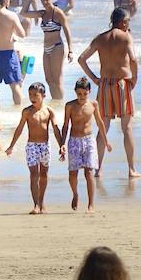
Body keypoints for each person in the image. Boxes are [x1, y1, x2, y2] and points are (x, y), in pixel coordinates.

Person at [77, 8, 140, 179]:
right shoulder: (126, 37)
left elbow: (81, 59)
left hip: (104, 85)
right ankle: (131, 169)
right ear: (123, 22)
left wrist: (95, 79)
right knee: (126, 128)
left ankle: (98, 169)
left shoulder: (100, 38)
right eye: (127, 22)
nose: (128, 25)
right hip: (121, 84)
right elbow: (133, 60)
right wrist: (134, 79)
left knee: (103, 128)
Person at [7, 82, 65, 214]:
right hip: (31, 145)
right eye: (30, 95)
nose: (32, 97)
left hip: (45, 145)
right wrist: (11, 146)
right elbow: (20, 129)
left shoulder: (49, 111)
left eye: (35, 95)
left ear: (43, 95)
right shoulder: (27, 112)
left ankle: (42, 201)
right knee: (34, 175)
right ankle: (36, 205)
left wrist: (61, 145)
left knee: (43, 175)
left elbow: (56, 129)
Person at [21, 0, 71, 100]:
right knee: (49, 79)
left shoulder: (58, 12)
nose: (45, 2)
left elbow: (67, 31)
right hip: (46, 48)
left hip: (57, 47)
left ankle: (60, 104)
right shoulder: (42, 14)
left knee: (57, 79)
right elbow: (23, 13)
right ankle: (55, 101)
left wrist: (70, 50)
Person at [61, 78, 99, 212]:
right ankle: (75, 194)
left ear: (89, 92)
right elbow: (65, 126)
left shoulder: (93, 104)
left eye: (84, 93)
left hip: (89, 140)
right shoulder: (70, 106)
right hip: (74, 141)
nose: (82, 97)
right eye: (79, 94)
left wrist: (106, 142)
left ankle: (91, 204)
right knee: (73, 174)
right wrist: (62, 144)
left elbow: (99, 123)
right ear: (75, 92)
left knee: (89, 172)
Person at [0, 0, 28, 104]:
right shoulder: (11, 15)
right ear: (5, 0)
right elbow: (22, 34)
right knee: (15, 86)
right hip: (8, 54)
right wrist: (13, 34)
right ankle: (18, 112)